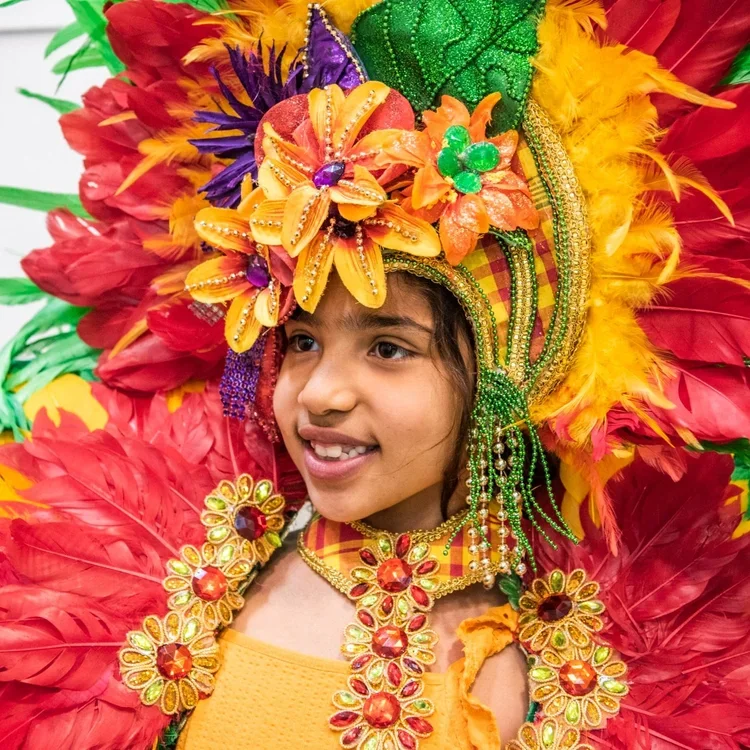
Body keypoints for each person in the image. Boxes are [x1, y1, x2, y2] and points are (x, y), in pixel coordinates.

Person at [1, 1, 750, 749]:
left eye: (388, 348)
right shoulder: (161, 598)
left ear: (502, 377)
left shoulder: (595, 665)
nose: (322, 393)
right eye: (299, 341)